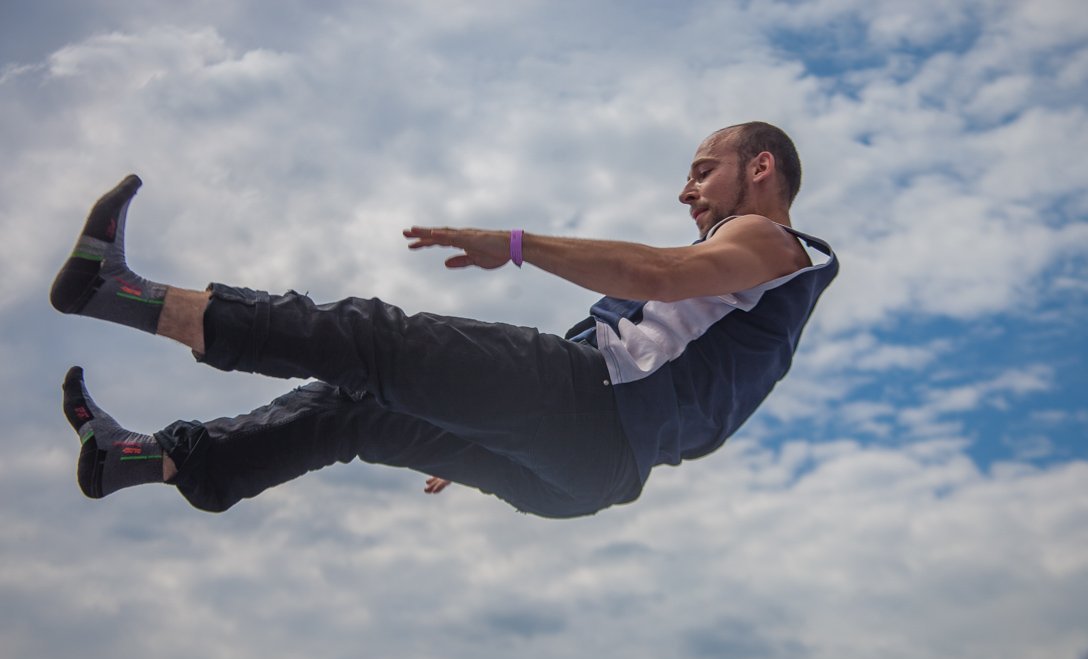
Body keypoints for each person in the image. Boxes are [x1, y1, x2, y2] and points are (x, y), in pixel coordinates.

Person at [52, 122, 838, 518]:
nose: (687, 191)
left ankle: (117, 293)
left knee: (372, 341)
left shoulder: (767, 241)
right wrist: (483, 425)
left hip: (588, 408)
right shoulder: (761, 295)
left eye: (703, 170)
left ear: (760, 166)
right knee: (353, 410)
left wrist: (516, 244)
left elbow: (655, 274)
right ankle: (143, 460)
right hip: (586, 474)